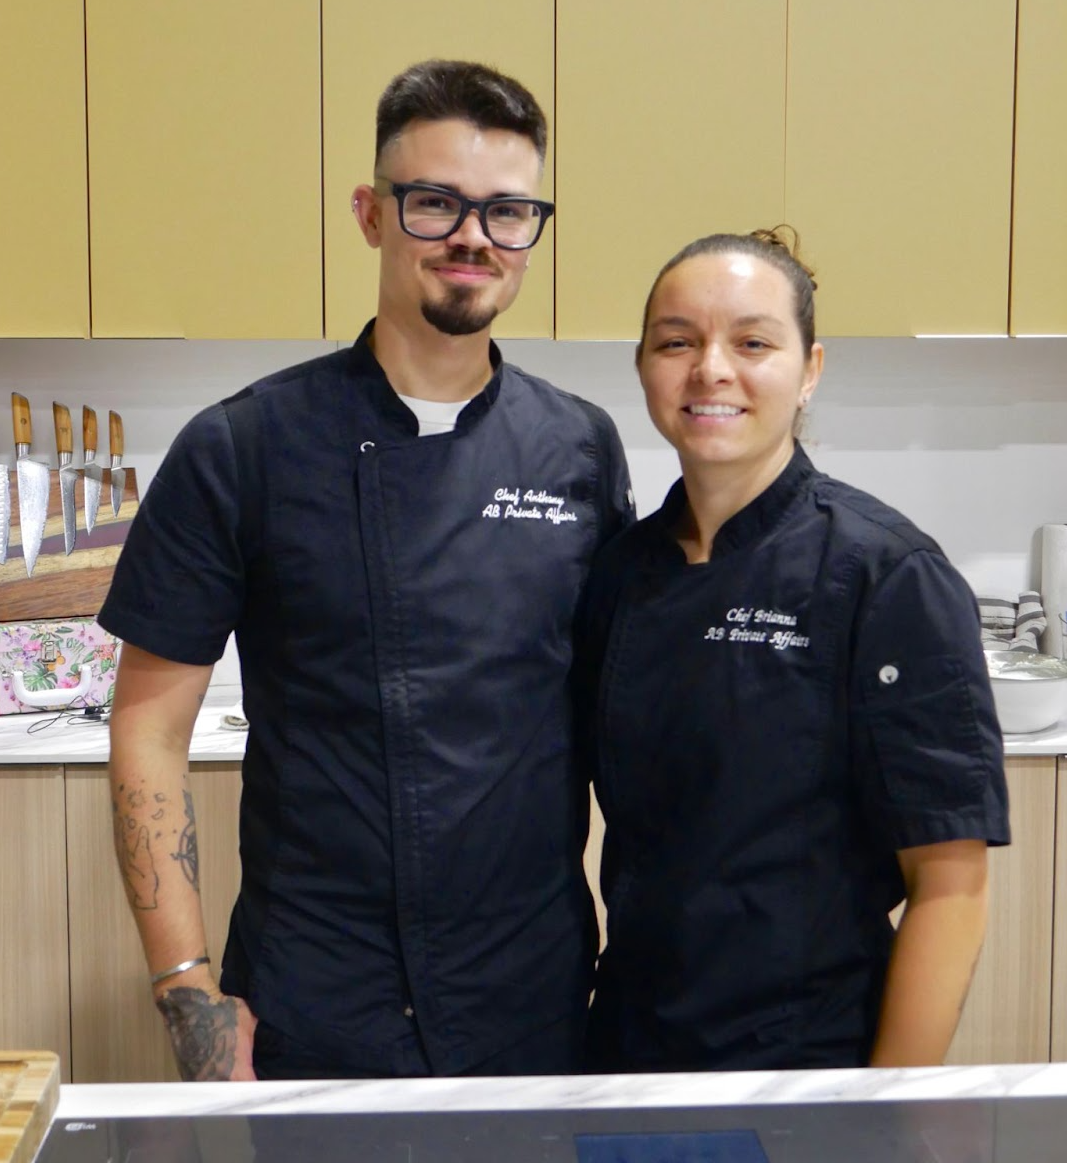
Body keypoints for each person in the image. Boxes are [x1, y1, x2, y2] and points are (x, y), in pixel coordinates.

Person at [98, 59, 633, 1082]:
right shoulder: (241, 448)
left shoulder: (578, 448)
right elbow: (148, 726)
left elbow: (614, 711)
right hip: (314, 994)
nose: (473, 236)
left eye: (507, 210)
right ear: (371, 213)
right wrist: (187, 992)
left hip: (530, 992)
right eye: (434, 203)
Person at [577, 228, 1009, 1073]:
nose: (710, 369)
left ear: (809, 368)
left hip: (804, 1062)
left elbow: (950, 887)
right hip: (626, 1045)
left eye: (752, 342)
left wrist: (884, 1113)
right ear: (642, 366)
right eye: (677, 341)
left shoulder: (884, 573)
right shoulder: (622, 571)